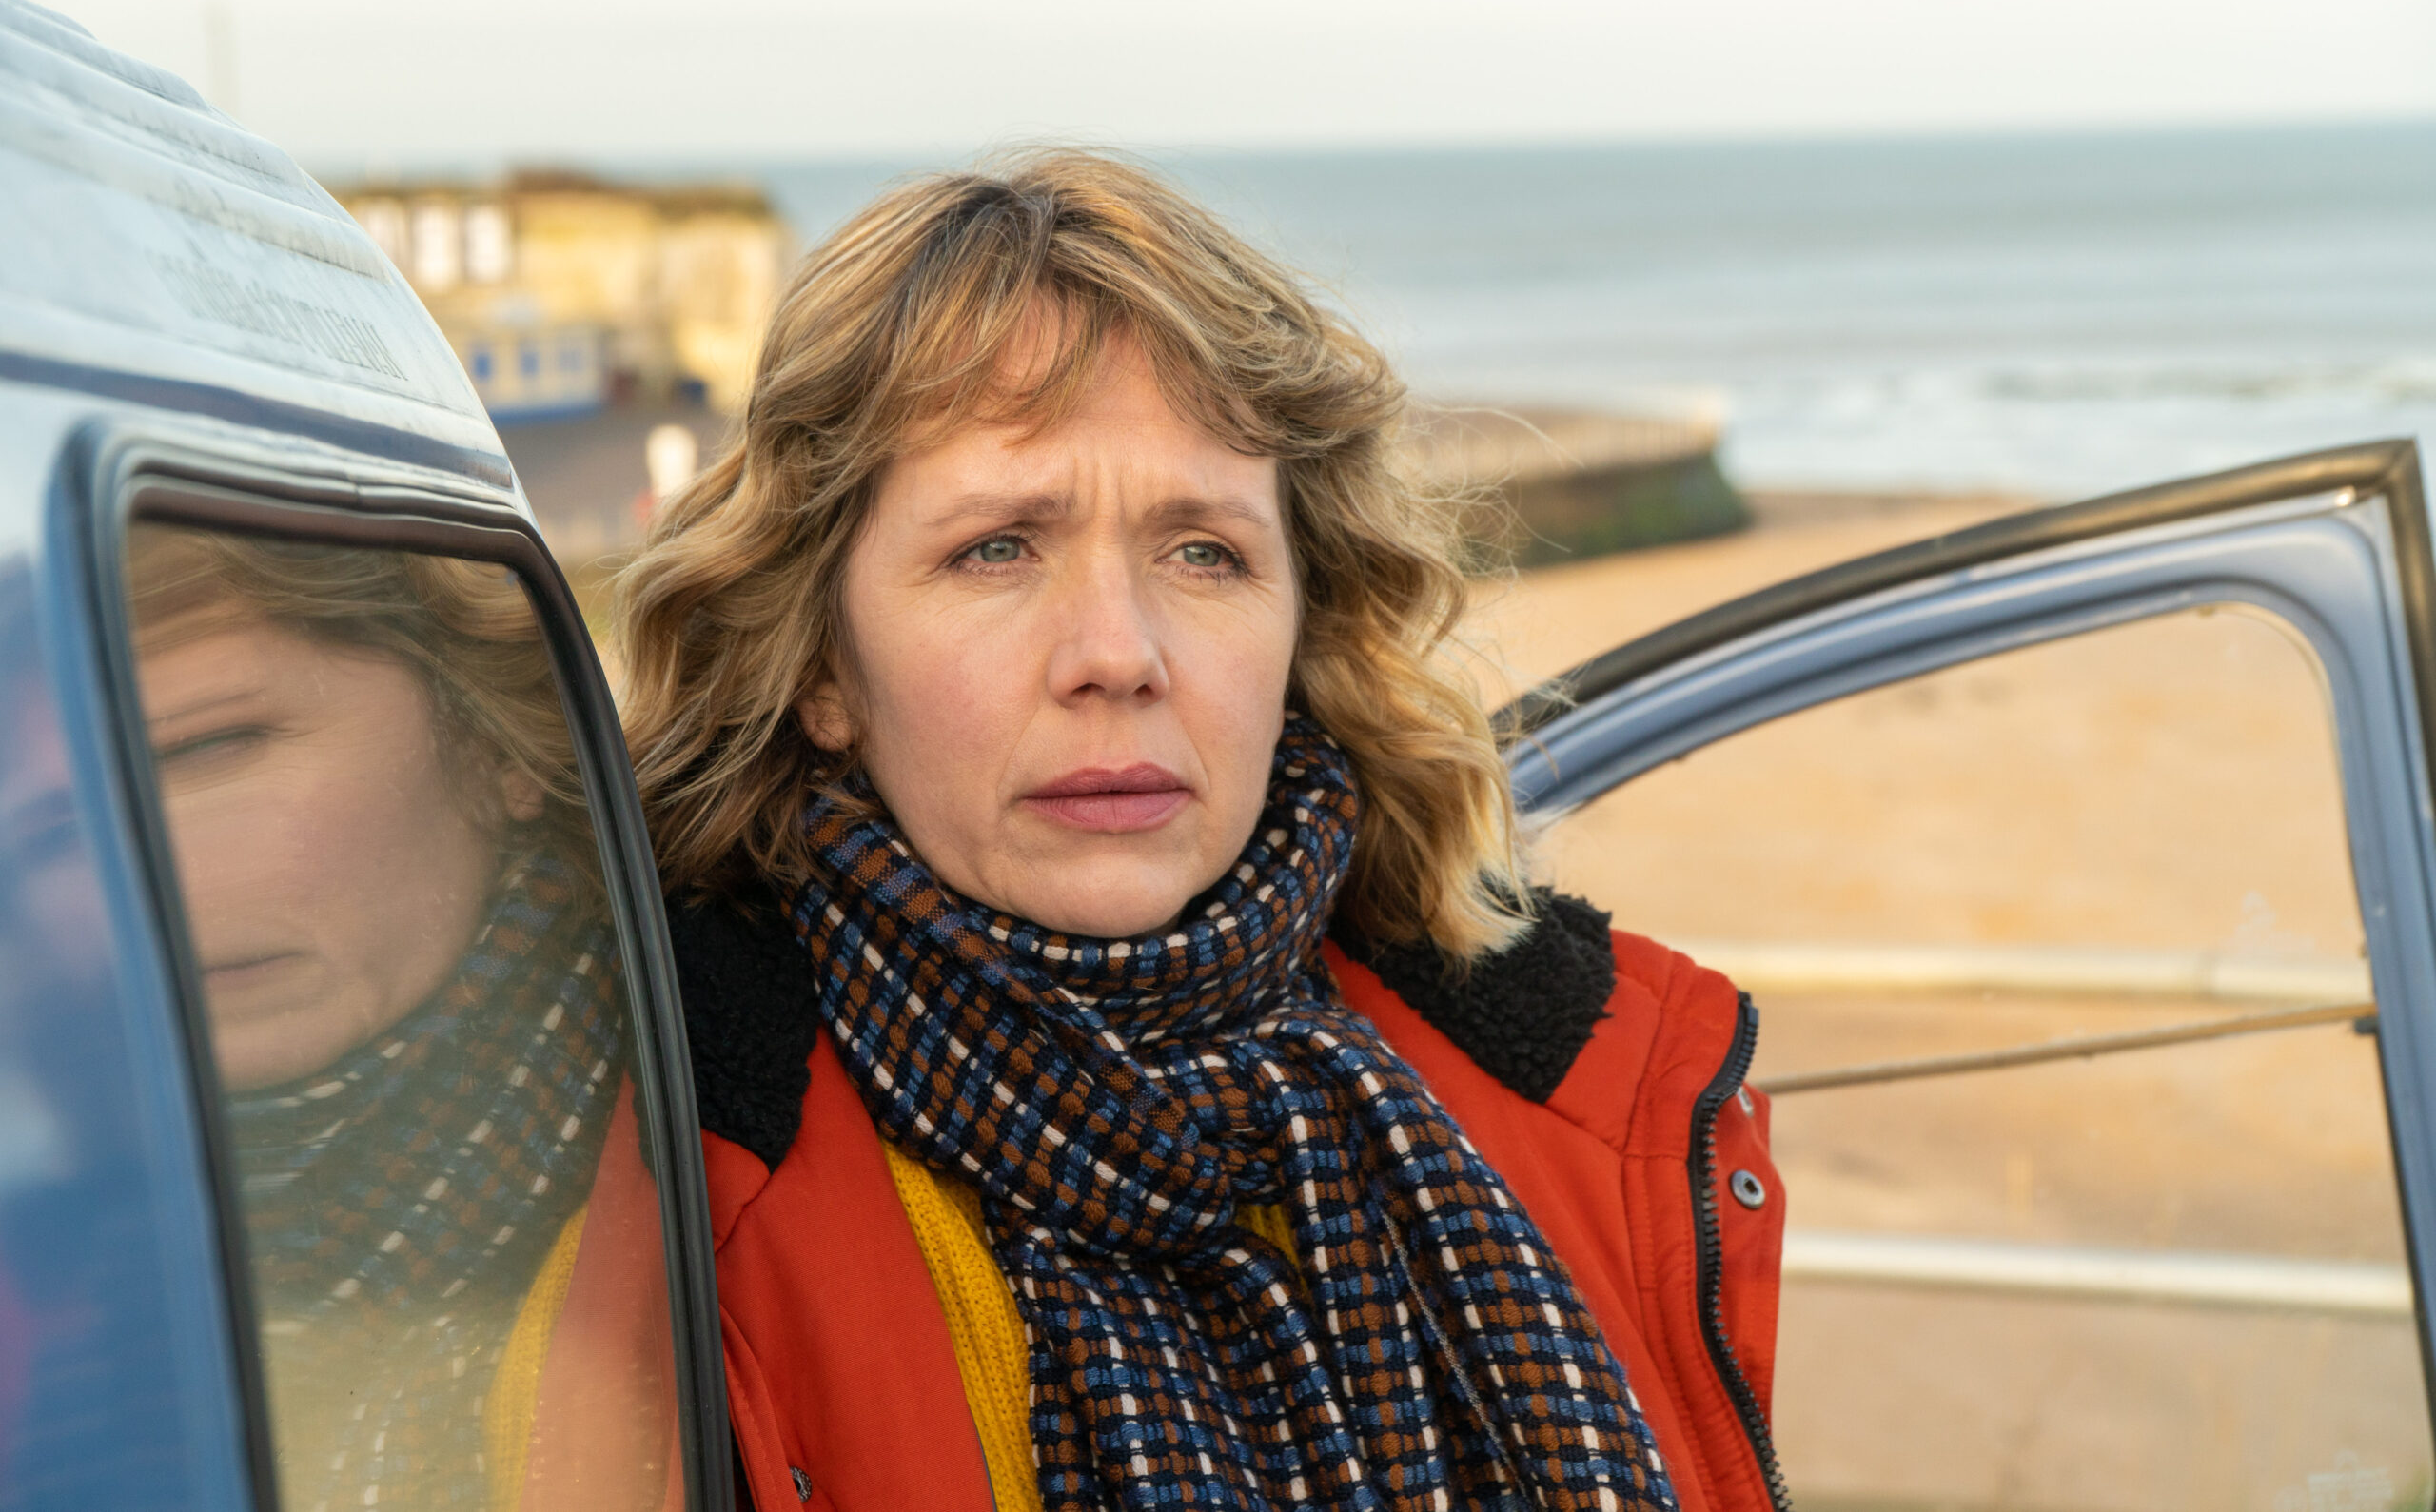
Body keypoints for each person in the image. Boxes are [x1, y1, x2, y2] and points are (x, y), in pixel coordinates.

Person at [618, 150, 1786, 1512]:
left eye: (1204, 551)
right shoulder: (654, 1176)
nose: (1117, 654)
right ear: (822, 662)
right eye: (998, 546)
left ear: (1301, 626)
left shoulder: (1574, 1090)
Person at [126, 527, 678, 1512]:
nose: (143, 872)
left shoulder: (752, 1159)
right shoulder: (60, 1282)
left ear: (490, 736)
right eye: (60, 809)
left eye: (215, 744)